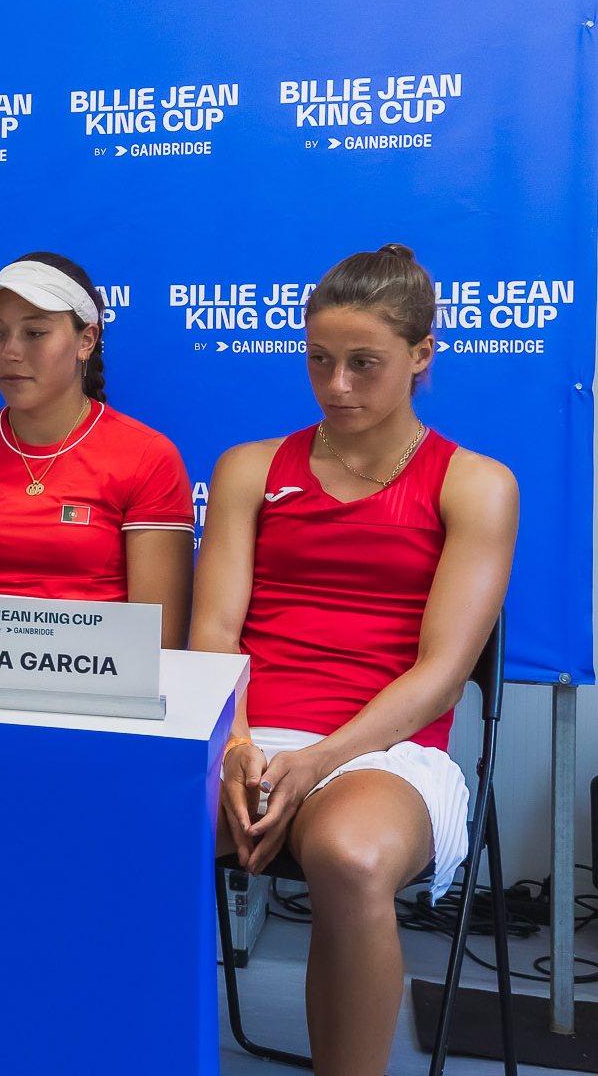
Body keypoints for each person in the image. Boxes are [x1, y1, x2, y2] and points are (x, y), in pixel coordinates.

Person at [192, 244, 517, 1076]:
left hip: (386, 745)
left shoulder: (475, 484)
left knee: (348, 854)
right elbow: (215, 638)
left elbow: (444, 671)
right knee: (114, 822)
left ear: (421, 355)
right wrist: (235, 745)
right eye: (320, 361)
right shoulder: (250, 469)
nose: (336, 386)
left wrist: (320, 759)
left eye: (363, 364)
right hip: (247, 729)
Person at [0, 252, 193, 644]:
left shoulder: (146, 456)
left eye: (35, 333)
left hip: (92, 692)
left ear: (86, 341)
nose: (11, 351)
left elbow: (159, 644)